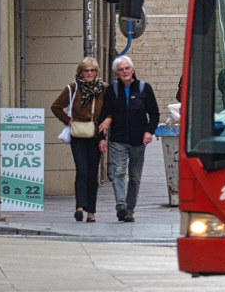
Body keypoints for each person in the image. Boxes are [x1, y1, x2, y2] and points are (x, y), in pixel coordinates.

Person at [97, 55, 160, 223]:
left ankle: (130, 209)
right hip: (118, 139)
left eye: (127, 68)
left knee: (134, 177)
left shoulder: (144, 88)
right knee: (118, 173)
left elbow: (154, 114)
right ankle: (121, 205)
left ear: (132, 69)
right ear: (116, 73)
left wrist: (149, 132)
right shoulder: (112, 90)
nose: (125, 72)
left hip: (138, 140)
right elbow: (105, 115)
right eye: (121, 70)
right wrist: (101, 138)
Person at [50, 57, 107, 222]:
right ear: (80, 72)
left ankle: (91, 212)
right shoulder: (73, 88)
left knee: (92, 173)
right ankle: (80, 207)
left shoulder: (104, 89)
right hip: (78, 135)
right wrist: (69, 121)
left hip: (96, 135)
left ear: (97, 72)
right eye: (86, 70)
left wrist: (107, 121)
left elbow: (110, 110)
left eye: (92, 70)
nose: (89, 73)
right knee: (82, 170)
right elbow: (56, 106)